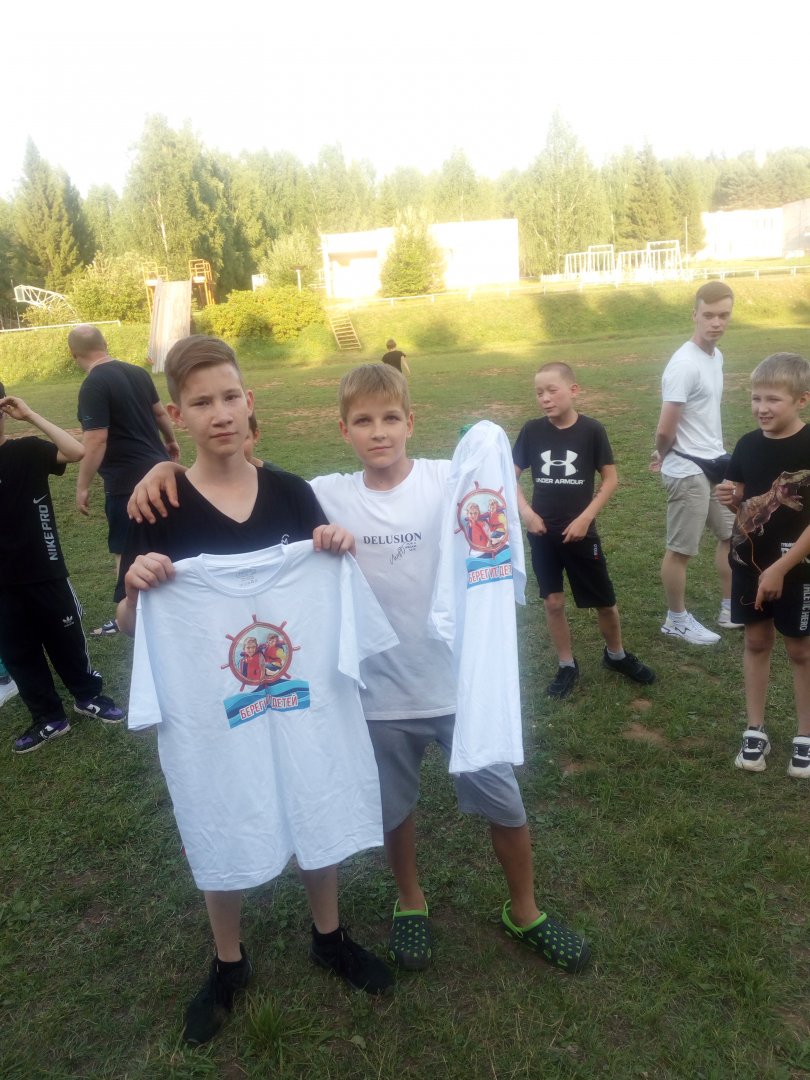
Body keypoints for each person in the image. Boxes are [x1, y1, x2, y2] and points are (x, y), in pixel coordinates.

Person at [128, 364, 592, 978]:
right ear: (343, 430)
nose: (379, 432)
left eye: (391, 418)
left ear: (411, 422)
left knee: (505, 805)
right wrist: (166, 469)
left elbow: (492, 475)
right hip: (377, 698)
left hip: (460, 689)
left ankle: (525, 910)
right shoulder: (327, 493)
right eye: (364, 421)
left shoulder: (444, 480)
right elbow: (243, 474)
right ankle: (409, 901)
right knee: (394, 812)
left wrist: (486, 440)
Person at [115, 336, 393, 1046]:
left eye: (229, 397)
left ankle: (329, 936)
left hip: (299, 700)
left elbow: (330, 575)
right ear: (177, 415)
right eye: (200, 403)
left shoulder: (292, 493)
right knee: (219, 803)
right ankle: (228, 960)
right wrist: (136, 589)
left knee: (314, 786)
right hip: (216, 712)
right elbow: (128, 623)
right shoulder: (157, 505)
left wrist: (334, 549)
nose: (219, 414)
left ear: (249, 402)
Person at [513, 362, 655, 699]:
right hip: (542, 533)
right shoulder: (532, 431)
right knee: (553, 602)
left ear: (573, 390)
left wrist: (585, 517)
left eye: (552, 391)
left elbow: (611, 479)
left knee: (604, 602)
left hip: (581, 534)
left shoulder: (591, 430)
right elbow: (508, 474)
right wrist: (526, 513)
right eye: (539, 393)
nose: (545, 399)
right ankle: (566, 665)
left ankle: (616, 655)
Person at [0, 386, 124, 754]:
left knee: (66, 641)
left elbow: (76, 451)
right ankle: (49, 718)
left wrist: (30, 415)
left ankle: (88, 696)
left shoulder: (26, 450)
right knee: (19, 653)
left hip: (45, 571)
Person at [715, 353, 810, 778]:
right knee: (756, 642)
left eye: (773, 399)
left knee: (800, 649)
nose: (762, 408)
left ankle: (805, 736)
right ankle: (755, 730)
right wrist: (731, 500)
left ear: (802, 399)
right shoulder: (747, 445)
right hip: (749, 563)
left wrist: (781, 568)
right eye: (756, 398)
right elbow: (744, 505)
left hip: (798, 567)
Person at [70, 324, 180, 634]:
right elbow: (160, 414)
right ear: (105, 343)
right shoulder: (137, 372)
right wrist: (170, 440)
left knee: (126, 551)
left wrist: (82, 485)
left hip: (126, 484)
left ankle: (131, 616)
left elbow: (96, 440)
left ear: (73, 354)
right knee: (167, 542)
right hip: (161, 474)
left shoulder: (93, 384)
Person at [653, 282, 738, 645]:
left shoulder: (716, 357)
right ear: (695, 315)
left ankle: (730, 608)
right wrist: (662, 452)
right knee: (681, 550)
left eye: (723, 315)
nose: (716, 323)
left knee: (732, 536)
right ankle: (676, 619)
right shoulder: (684, 364)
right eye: (709, 315)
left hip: (715, 461)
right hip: (687, 468)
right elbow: (665, 428)